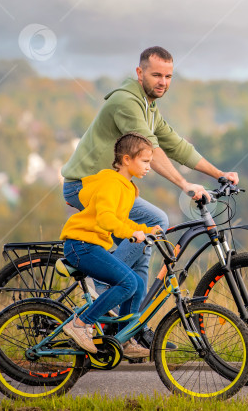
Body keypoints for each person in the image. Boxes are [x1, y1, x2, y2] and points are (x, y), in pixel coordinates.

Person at [60, 46, 239, 347]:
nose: (163, 82)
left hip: (112, 188)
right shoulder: (126, 103)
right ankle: (106, 282)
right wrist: (186, 185)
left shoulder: (148, 107)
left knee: (145, 242)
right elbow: (151, 150)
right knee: (156, 220)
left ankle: (126, 331)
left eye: (169, 76)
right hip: (87, 186)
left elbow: (177, 146)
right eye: (156, 74)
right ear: (139, 72)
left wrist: (218, 173)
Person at [59, 133, 159, 357]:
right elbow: (106, 219)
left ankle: (123, 338)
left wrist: (145, 230)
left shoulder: (127, 187)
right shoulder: (112, 184)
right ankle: (81, 323)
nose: (148, 167)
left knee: (137, 285)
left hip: (92, 246)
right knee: (127, 283)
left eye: (149, 162)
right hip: (81, 245)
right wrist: (131, 233)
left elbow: (121, 220)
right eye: (144, 161)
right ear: (126, 160)